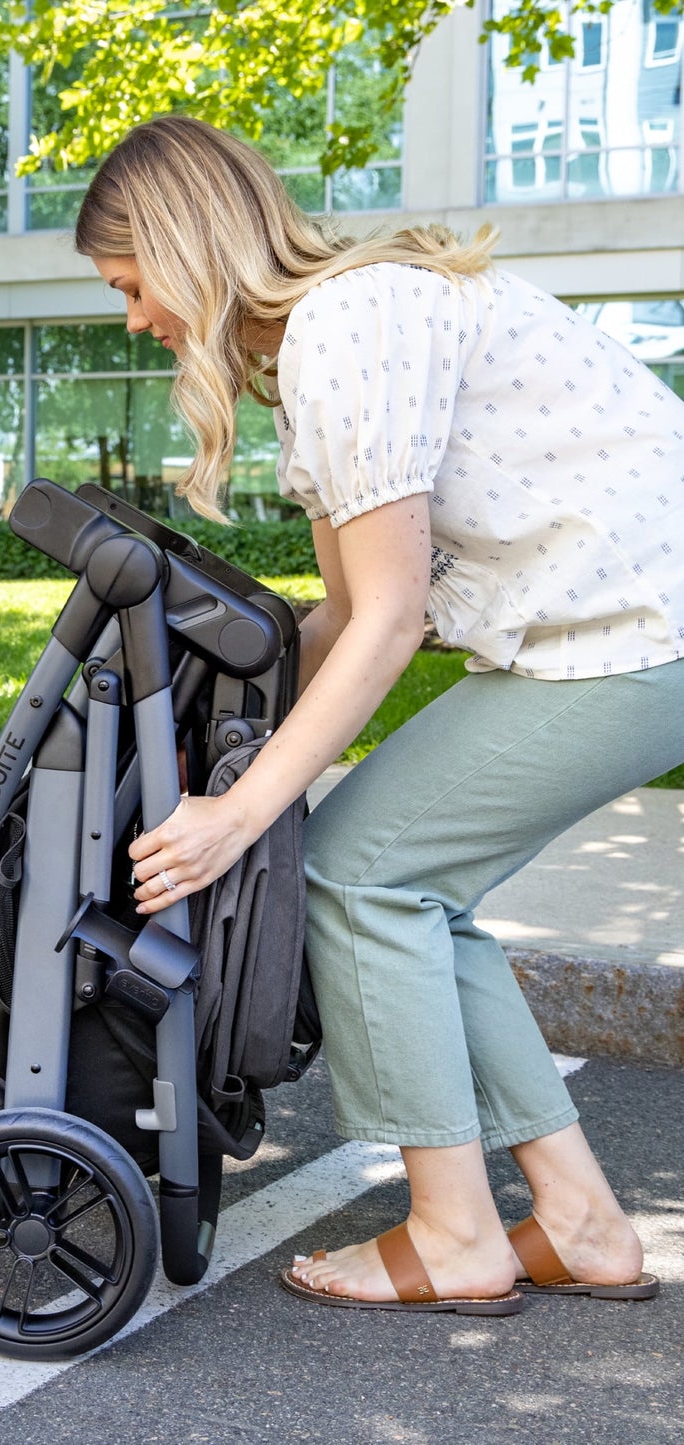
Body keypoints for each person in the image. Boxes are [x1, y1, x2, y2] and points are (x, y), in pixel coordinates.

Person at [74, 114, 682, 1314]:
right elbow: (342, 614)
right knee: (412, 887)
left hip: (631, 632)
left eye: (131, 284)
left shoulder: (347, 327)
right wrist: (205, 728)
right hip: (611, 629)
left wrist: (240, 816)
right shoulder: (337, 329)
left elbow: (392, 620)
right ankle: (580, 1220)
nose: (134, 319)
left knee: (356, 871)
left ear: (183, 247)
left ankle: (455, 1235)